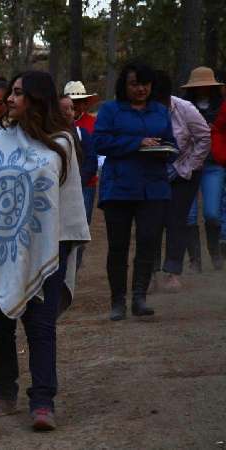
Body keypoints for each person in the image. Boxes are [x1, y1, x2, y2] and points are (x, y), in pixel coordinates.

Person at [0, 70, 89, 431]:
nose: (9, 99)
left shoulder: (62, 143)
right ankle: (3, 393)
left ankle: (42, 401)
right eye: (11, 93)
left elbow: (68, 203)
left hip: (44, 246)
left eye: (18, 94)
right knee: (0, 325)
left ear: (37, 99)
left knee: (40, 328)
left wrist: (66, 247)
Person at [92, 62, 177, 321]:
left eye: (146, 84)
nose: (141, 89)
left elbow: (171, 142)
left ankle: (140, 297)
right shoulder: (110, 110)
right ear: (124, 85)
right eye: (135, 84)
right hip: (119, 187)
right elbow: (99, 142)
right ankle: (118, 302)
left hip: (154, 186)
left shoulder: (161, 112)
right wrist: (137, 143)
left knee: (149, 241)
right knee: (118, 246)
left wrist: (167, 151)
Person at [150, 71, 210, 292]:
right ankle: (151, 271)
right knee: (152, 221)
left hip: (185, 173)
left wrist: (189, 166)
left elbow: (204, 137)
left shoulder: (185, 109)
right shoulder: (144, 111)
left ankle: (172, 272)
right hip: (155, 172)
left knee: (176, 219)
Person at [181, 66, 225, 271]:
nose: (203, 89)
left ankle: (215, 252)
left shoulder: (223, 106)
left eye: (206, 85)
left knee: (212, 213)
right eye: (199, 86)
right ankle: (195, 261)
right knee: (188, 215)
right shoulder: (182, 107)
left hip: (213, 164)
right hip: (188, 163)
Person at [59, 94, 99, 267]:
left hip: (83, 186)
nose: (69, 112)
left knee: (80, 225)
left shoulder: (83, 133)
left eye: (71, 108)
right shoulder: (47, 135)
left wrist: (77, 181)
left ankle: (76, 263)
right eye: (64, 109)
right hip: (58, 189)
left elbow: (91, 160)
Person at [63, 81, 100, 230]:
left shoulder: (94, 123)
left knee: (81, 228)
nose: (76, 105)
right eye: (73, 102)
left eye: (80, 102)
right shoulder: (56, 123)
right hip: (62, 181)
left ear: (85, 104)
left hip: (87, 183)